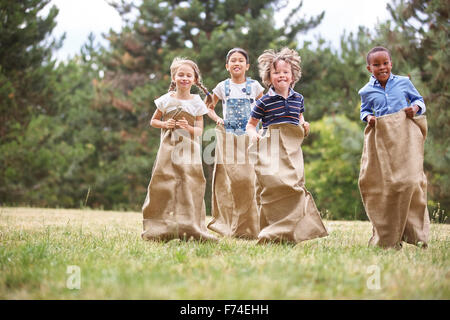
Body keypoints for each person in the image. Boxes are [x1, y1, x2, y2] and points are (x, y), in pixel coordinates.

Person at [246, 47, 328, 244]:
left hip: (292, 150)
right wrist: (254, 135)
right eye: (276, 72)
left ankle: (293, 230)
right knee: (274, 184)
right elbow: (250, 125)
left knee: (294, 184)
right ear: (269, 77)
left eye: (285, 72)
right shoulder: (263, 102)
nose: (281, 75)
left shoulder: (298, 99)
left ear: (293, 76)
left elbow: (299, 118)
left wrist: (304, 124)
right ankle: (270, 229)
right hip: (272, 147)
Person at [358, 46, 429, 249]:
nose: (382, 67)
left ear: (391, 63)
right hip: (383, 141)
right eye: (377, 64)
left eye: (385, 63)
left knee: (411, 181)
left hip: (404, 138)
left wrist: (414, 109)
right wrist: (369, 118)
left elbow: (419, 101)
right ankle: (388, 237)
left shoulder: (404, 82)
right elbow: (364, 111)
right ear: (369, 68)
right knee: (387, 185)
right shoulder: (366, 91)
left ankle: (416, 234)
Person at [141, 57, 217, 242]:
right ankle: (159, 227)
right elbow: (153, 121)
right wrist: (165, 123)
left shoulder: (197, 102)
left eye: (188, 75)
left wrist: (188, 127)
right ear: (173, 78)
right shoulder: (165, 100)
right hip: (168, 149)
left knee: (189, 182)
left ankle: (190, 226)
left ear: (195, 80)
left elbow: (199, 131)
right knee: (165, 181)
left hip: (189, 150)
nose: (184, 78)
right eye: (180, 74)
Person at [206, 48, 265, 238]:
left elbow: (265, 105)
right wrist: (217, 119)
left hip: (249, 137)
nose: (237, 63)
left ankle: (253, 226)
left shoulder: (254, 86)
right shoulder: (222, 87)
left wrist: (261, 124)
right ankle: (230, 225)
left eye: (241, 60)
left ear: (247, 66)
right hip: (229, 138)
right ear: (227, 66)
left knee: (249, 180)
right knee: (231, 182)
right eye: (233, 61)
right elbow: (208, 107)